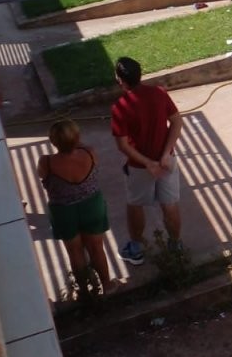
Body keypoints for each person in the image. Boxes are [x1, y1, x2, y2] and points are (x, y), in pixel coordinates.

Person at [110, 57, 184, 265]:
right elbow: (177, 122)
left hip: (139, 167)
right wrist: (165, 154)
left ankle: (136, 249)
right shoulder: (159, 93)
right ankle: (176, 245)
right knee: (170, 204)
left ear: (120, 80)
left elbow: (123, 145)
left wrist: (149, 163)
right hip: (167, 162)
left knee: (135, 204)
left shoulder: (121, 107)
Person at [36, 119, 119, 295]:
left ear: (53, 142)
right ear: (78, 137)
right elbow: (80, 146)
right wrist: (75, 141)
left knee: (74, 252)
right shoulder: (90, 153)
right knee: (97, 247)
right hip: (92, 206)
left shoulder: (46, 162)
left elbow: (42, 176)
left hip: (63, 211)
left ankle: (84, 291)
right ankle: (107, 284)